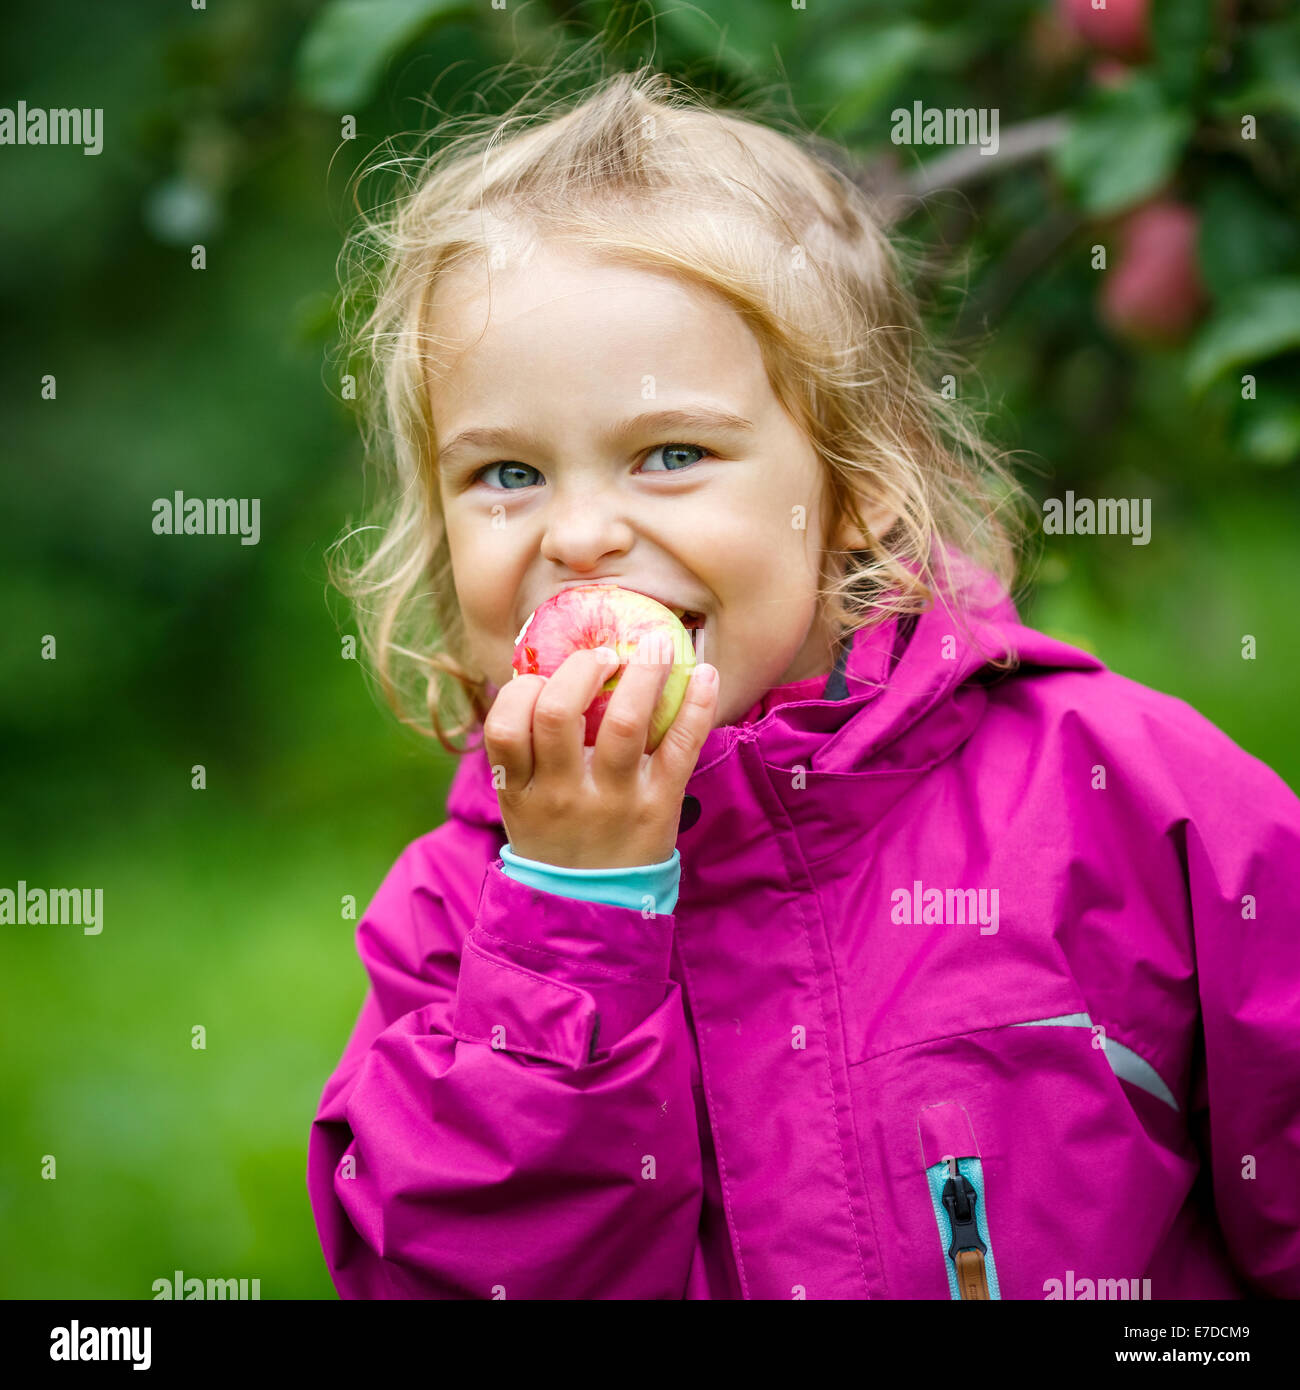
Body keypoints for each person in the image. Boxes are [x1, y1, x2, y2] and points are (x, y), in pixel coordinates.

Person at [307, 67, 1300, 1299]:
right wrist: (573, 919)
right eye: (506, 474)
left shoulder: (1132, 802)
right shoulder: (460, 921)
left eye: (670, 455)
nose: (577, 535)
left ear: (857, 477)